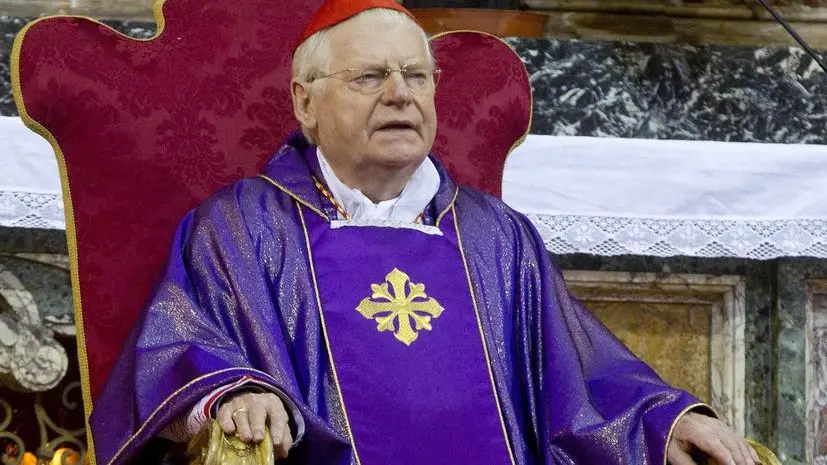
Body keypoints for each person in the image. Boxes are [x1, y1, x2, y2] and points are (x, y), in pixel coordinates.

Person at [88, 1, 760, 464]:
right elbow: (179, 346)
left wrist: (664, 419)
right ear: (304, 101)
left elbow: (581, 374)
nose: (400, 94)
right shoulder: (242, 226)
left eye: (416, 76)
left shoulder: (496, 237)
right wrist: (233, 392)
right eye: (369, 77)